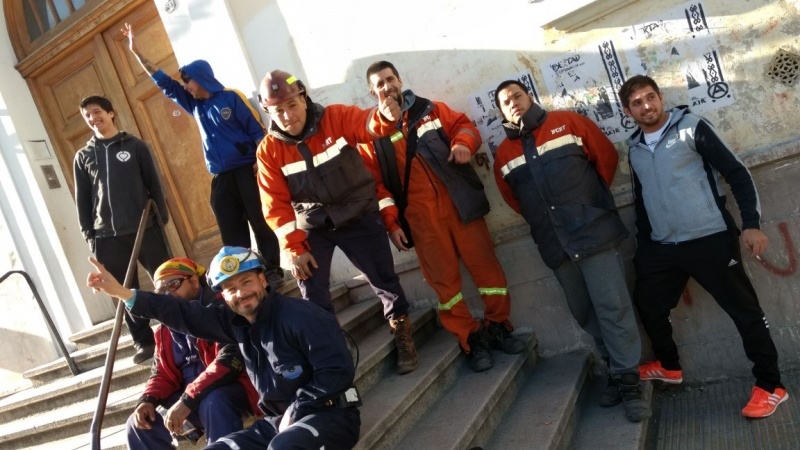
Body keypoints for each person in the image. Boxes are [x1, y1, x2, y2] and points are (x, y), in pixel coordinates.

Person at [619, 74, 788, 418]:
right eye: (637, 102)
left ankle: (771, 387)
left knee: (745, 312)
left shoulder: (691, 127)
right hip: (663, 246)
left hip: (710, 238)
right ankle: (669, 366)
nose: (646, 106)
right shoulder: (634, 148)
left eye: (650, 97)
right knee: (648, 303)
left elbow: (736, 172)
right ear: (628, 110)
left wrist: (751, 225)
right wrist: (646, 244)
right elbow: (641, 200)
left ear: (660, 97)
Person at [88, 246, 361, 449]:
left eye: (246, 282)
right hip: (280, 421)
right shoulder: (235, 323)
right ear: (222, 295)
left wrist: (297, 408)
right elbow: (184, 314)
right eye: (230, 288)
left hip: (330, 415)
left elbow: (336, 372)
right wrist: (123, 293)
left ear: (263, 280)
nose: (240, 293)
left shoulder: (302, 316)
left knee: (283, 447)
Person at [491, 80, 648, 422]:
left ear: (528, 96)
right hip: (556, 244)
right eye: (505, 102)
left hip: (592, 233)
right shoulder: (503, 154)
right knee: (585, 311)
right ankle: (613, 368)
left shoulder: (568, 123)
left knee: (613, 307)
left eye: (517, 95)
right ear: (500, 111)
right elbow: (514, 200)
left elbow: (604, 158)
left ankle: (629, 380)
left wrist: (586, 206)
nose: (513, 103)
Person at [358, 61, 524, 373]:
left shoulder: (431, 110)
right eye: (379, 84)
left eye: (390, 79)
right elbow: (377, 188)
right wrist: (392, 224)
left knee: (487, 270)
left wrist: (463, 144)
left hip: (460, 204)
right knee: (446, 286)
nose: (386, 86)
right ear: (372, 92)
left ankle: (499, 326)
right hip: (421, 221)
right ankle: (470, 339)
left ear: (400, 79)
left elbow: (465, 126)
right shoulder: (371, 138)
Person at [256, 69, 420, 375]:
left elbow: (366, 125)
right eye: (278, 110)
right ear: (268, 111)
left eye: (292, 105)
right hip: (315, 224)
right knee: (311, 290)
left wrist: (384, 117)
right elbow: (274, 206)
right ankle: (332, 350)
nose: (288, 115)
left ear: (303, 99)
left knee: (384, 279)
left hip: (358, 213)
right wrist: (294, 249)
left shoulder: (334, 117)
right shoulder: (268, 151)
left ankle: (402, 334)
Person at [121, 23, 283, 286]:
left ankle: (273, 270)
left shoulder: (231, 98)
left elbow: (258, 131)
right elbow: (163, 82)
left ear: (201, 77)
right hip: (221, 177)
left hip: (248, 171)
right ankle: (244, 276)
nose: (184, 86)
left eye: (187, 80)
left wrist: (259, 162)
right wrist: (136, 51)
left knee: (260, 220)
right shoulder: (194, 105)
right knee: (232, 230)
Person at [73, 95, 171, 364]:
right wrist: (89, 234)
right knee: (123, 290)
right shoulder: (83, 156)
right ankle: (143, 341)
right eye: (88, 116)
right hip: (106, 236)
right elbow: (82, 199)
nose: (93, 119)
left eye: (97, 112)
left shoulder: (135, 146)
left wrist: (160, 218)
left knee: (166, 279)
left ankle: (177, 328)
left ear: (111, 113)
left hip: (144, 228)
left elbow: (154, 184)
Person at [126, 257, 260, 448]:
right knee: (138, 423)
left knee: (214, 401)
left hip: (228, 391)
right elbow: (161, 373)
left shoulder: (220, 310)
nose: (167, 294)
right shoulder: (163, 331)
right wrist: (147, 400)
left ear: (194, 281)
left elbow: (227, 365)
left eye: (173, 284)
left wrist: (187, 400)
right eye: (161, 291)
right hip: (189, 399)